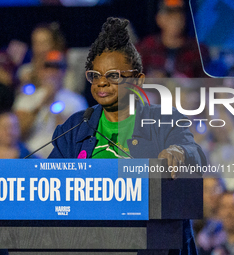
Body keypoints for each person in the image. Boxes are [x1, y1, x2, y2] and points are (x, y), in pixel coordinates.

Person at [48, 17, 206, 254]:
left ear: (137, 80)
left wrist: (178, 152)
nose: (102, 83)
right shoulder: (76, 126)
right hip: (86, 241)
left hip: (149, 240)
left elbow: (195, 154)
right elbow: (49, 181)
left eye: (113, 76)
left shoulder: (163, 120)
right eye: (95, 75)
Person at [14, 50, 88, 158]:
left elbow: (75, 139)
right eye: (47, 66)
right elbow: (18, 134)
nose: (52, 71)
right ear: (40, 70)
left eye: (57, 67)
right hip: (29, 158)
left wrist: (54, 104)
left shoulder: (76, 101)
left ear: (64, 71)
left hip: (61, 159)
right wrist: (40, 105)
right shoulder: (26, 98)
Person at [136, 0, 209, 78]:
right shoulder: (146, 47)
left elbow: (208, 83)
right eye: (170, 14)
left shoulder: (197, 51)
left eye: (179, 14)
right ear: (159, 18)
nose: (175, 19)